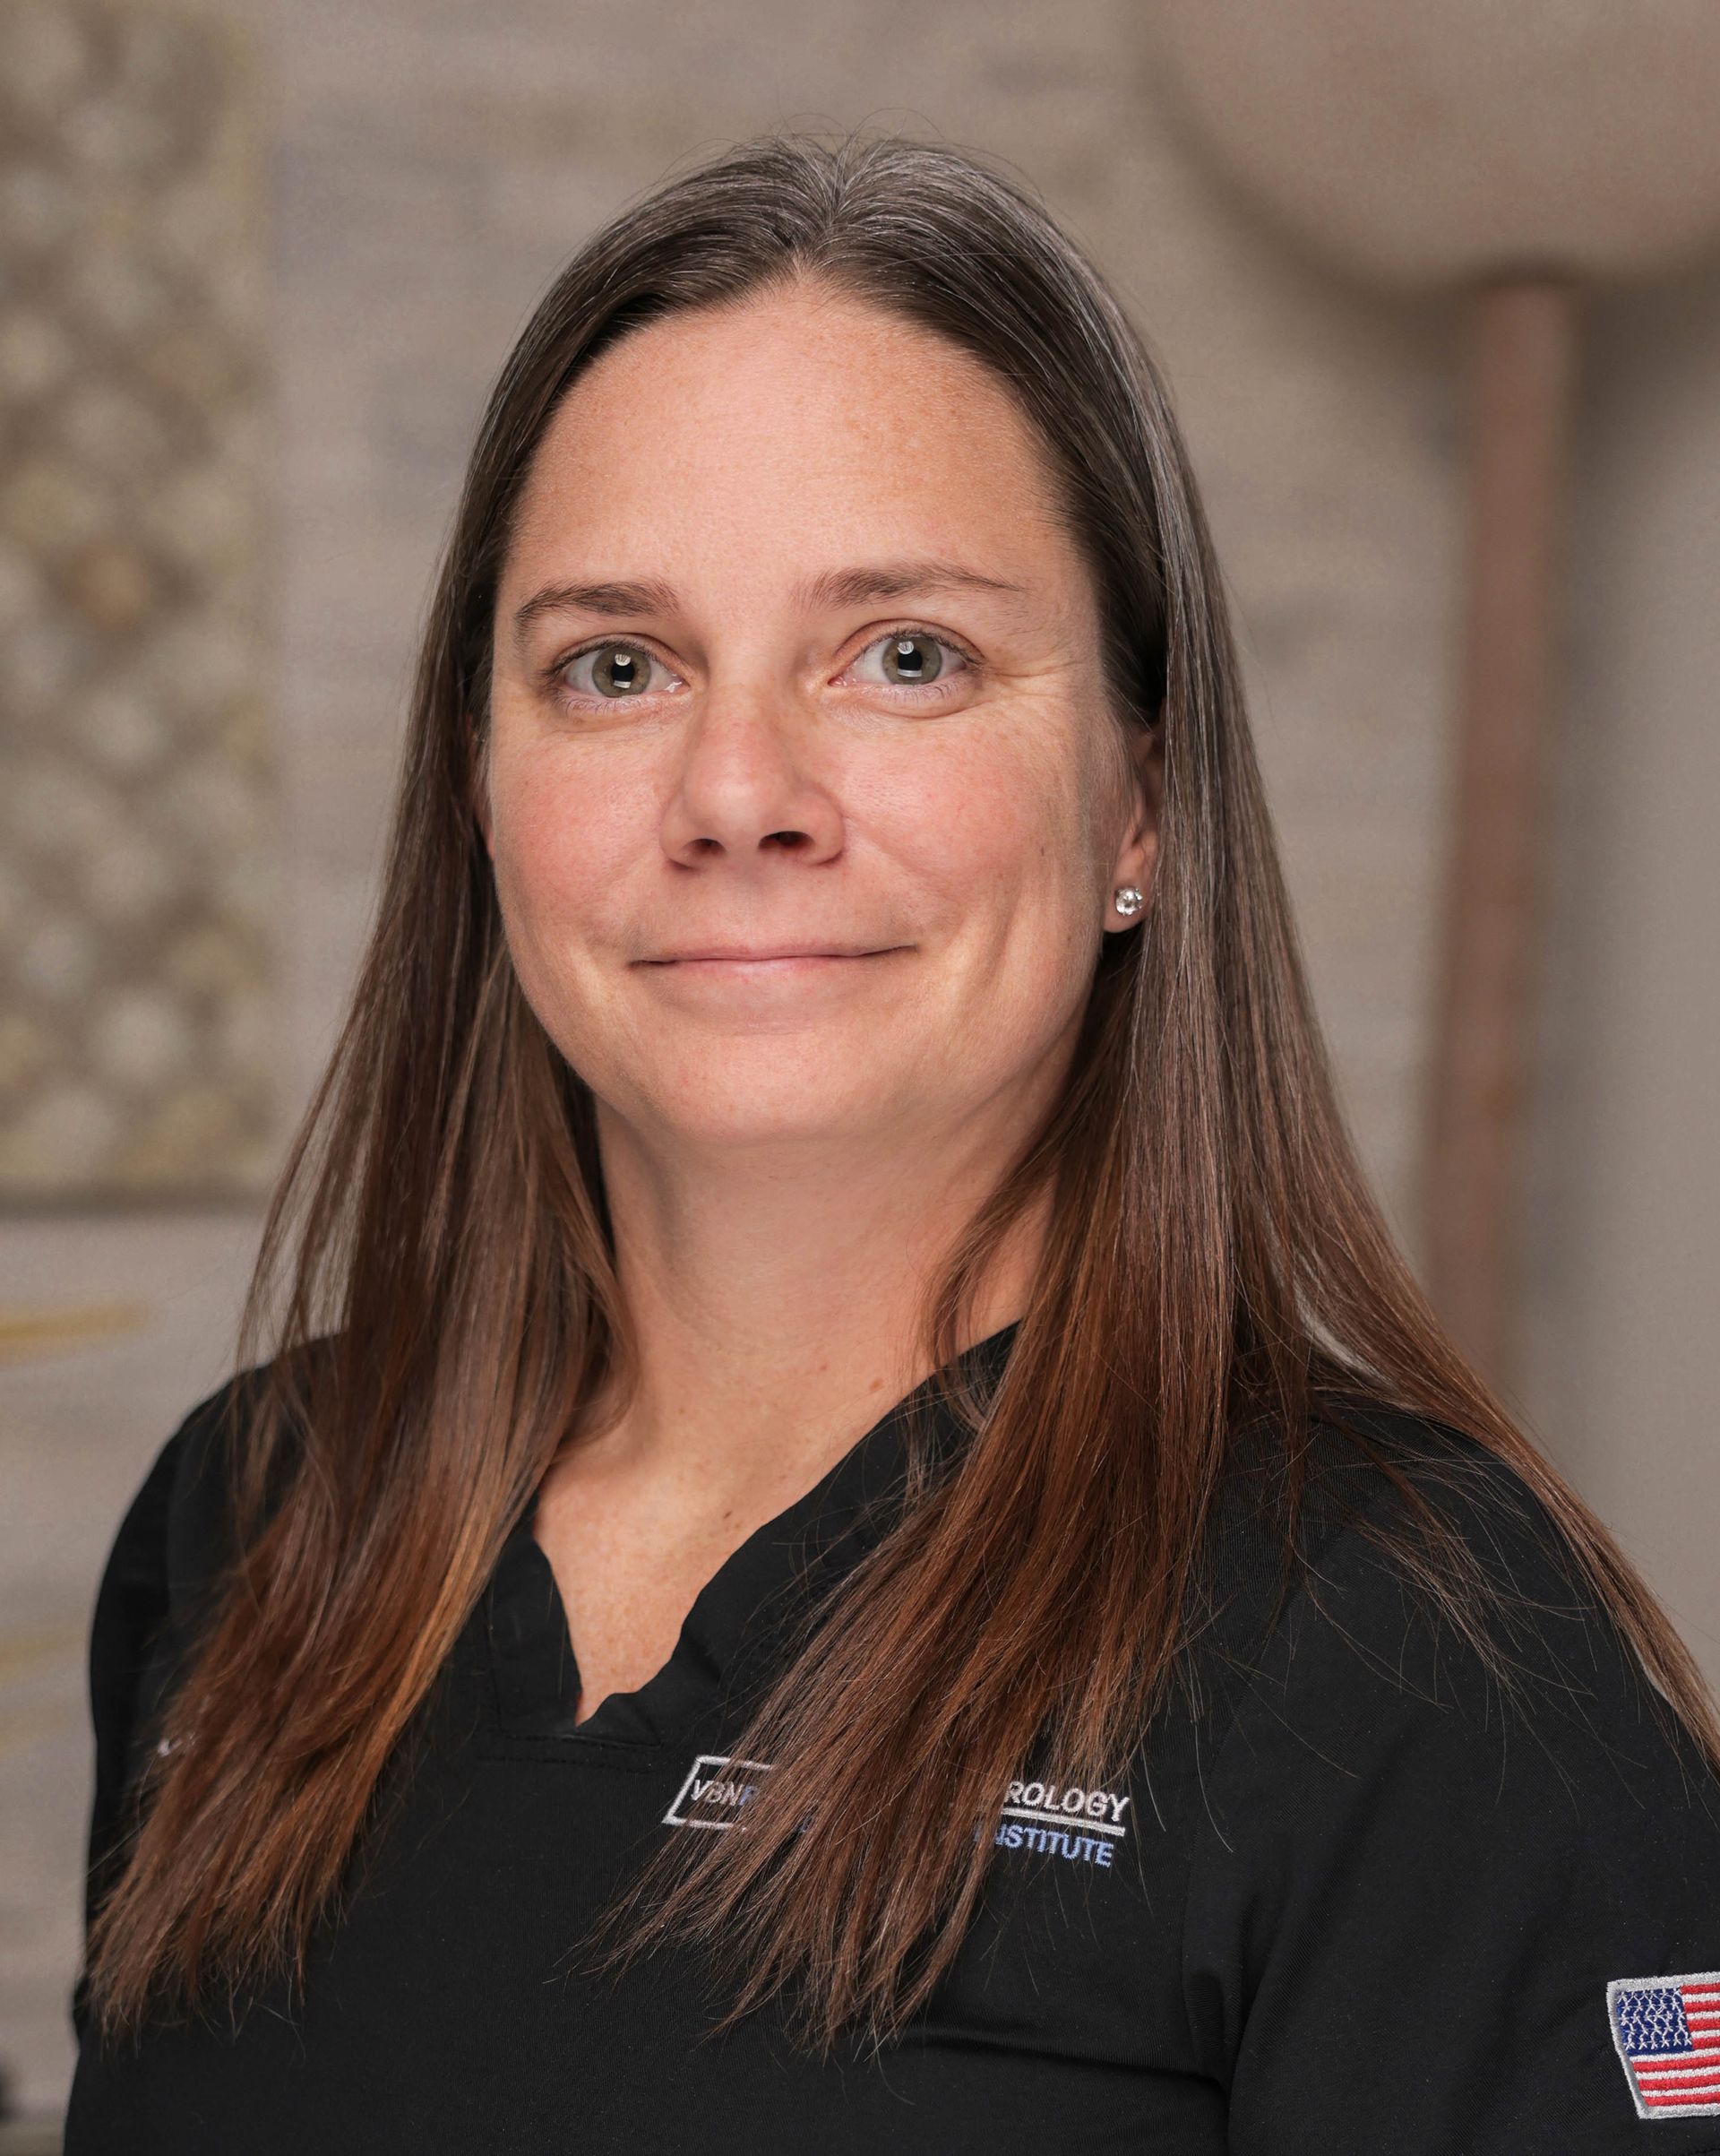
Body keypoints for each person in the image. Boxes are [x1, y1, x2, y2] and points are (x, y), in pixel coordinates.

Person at [64, 129, 1720, 2153]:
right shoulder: (256, 1520)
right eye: (616, 666)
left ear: (1139, 806)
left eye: (907, 657)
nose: (739, 788)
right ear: (482, 790)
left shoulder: (1420, 1654)